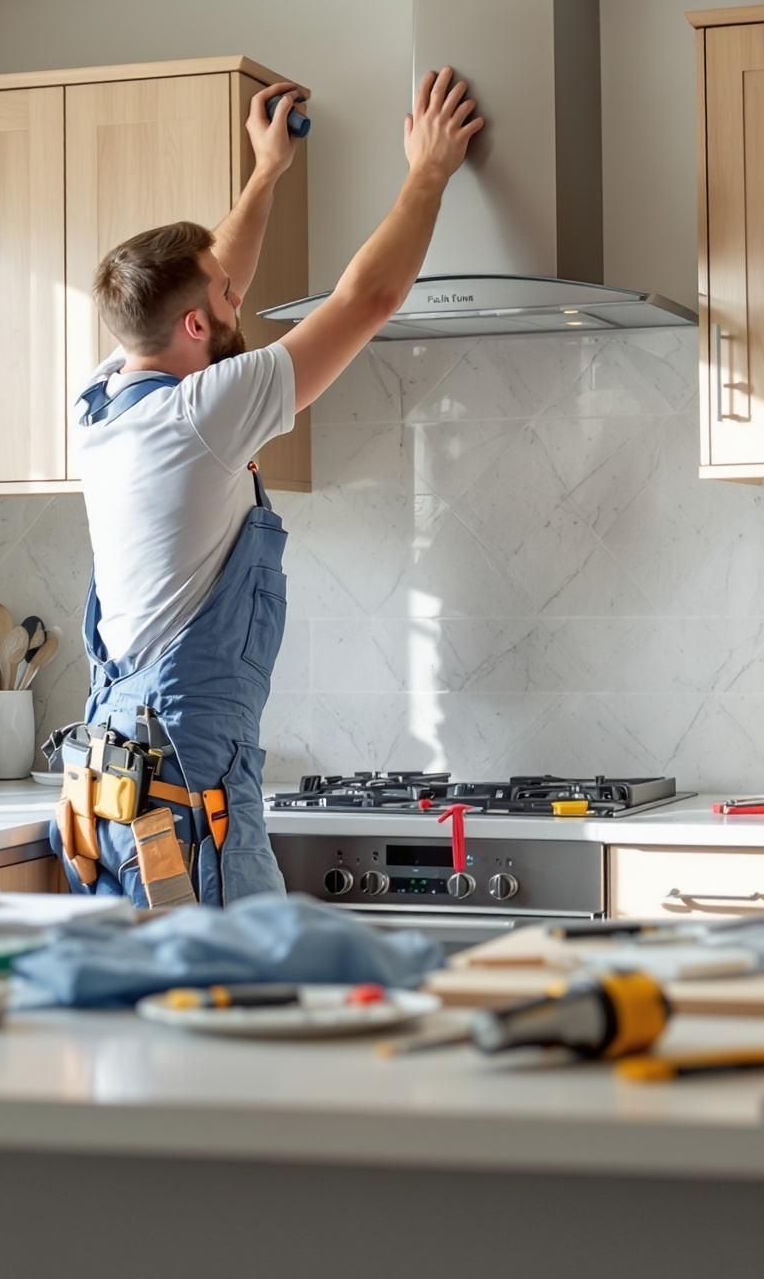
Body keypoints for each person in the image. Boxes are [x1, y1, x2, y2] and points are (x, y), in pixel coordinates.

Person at [51, 67, 485, 904]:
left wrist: (267, 170)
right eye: (224, 299)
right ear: (194, 325)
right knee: (227, 1013)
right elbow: (370, 297)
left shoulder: (101, 397)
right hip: (188, 799)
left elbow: (212, 285)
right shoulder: (202, 412)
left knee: (159, 1023)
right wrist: (428, 170)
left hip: (121, 782)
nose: (237, 299)